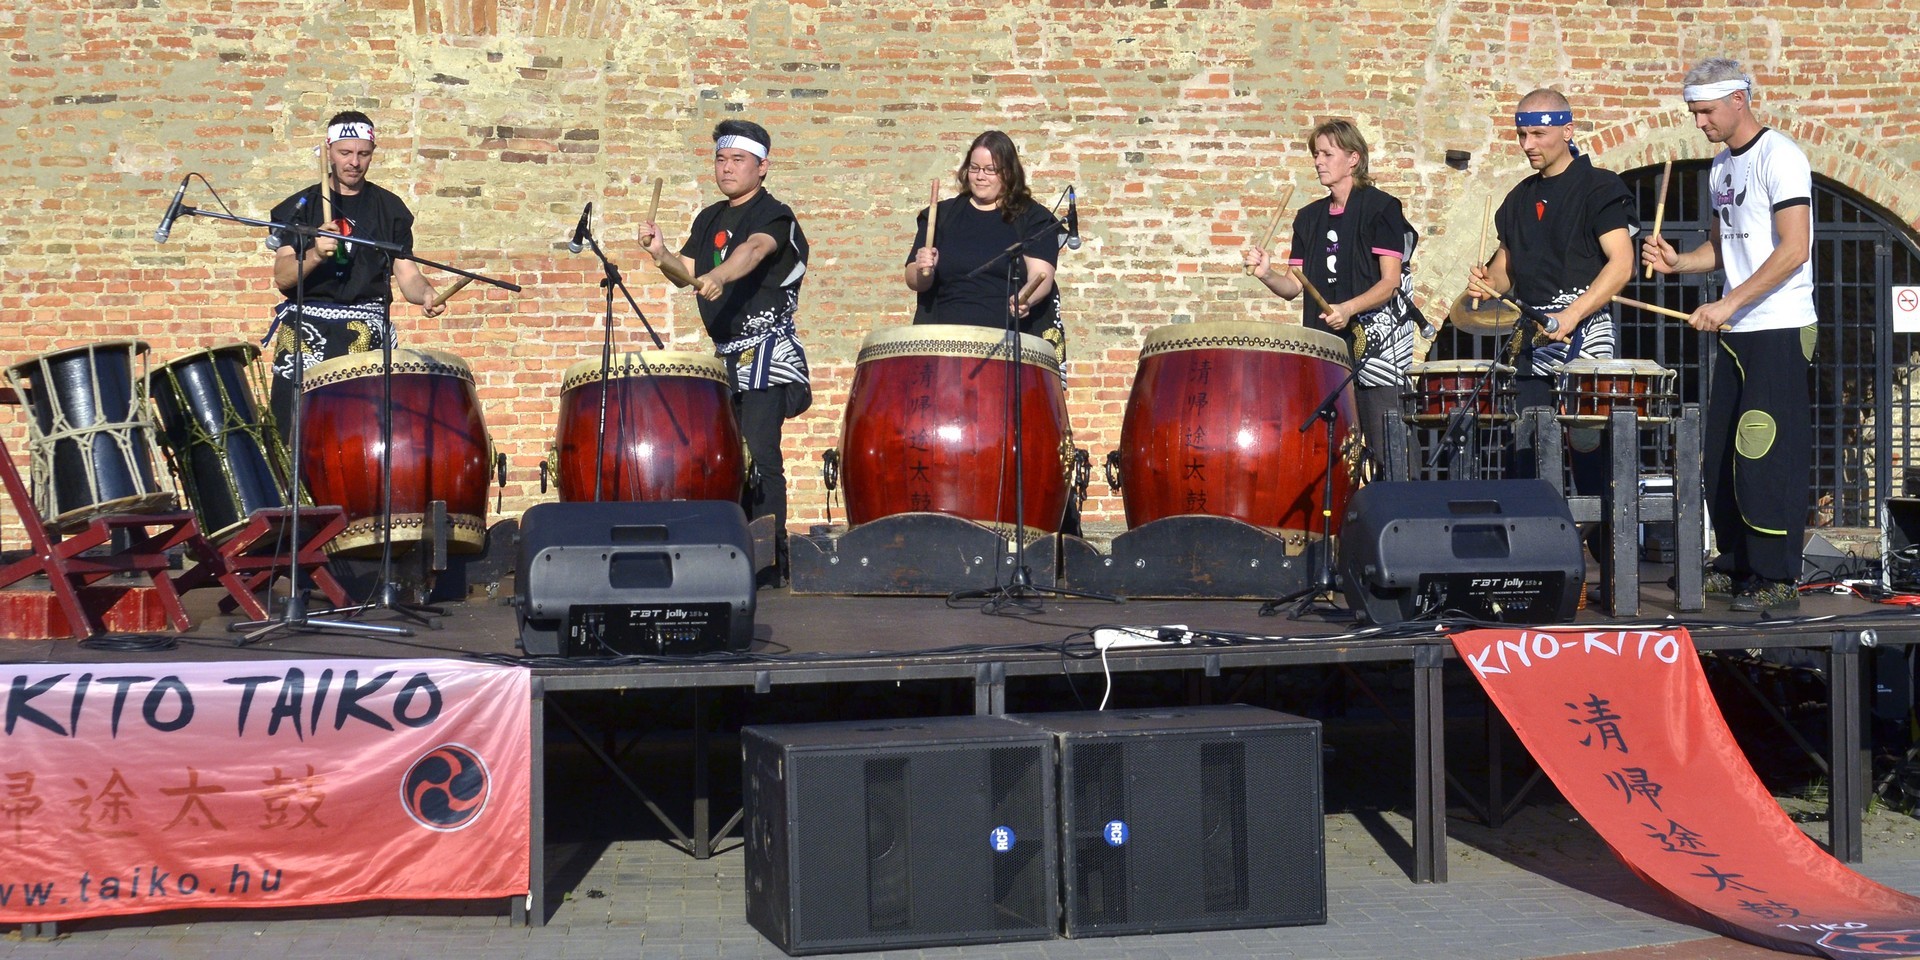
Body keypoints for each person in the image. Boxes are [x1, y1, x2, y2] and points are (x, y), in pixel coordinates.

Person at [1643, 58, 1814, 614]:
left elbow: (1794, 249)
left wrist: (1729, 303)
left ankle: (1777, 574)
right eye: (1694, 113)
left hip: (1780, 326)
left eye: (1707, 111)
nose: (1700, 122)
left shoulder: (1780, 156)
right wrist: (1678, 263)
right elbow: (1720, 250)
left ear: (1739, 99)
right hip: (1739, 329)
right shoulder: (1721, 167)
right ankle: (1737, 561)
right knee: (1720, 452)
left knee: (1764, 451)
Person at [1464, 89, 1637, 606]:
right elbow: (1505, 271)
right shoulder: (1518, 199)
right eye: (1522, 133)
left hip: (1585, 332)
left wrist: (1574, 314)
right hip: (1535, 338)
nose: (1527, 144)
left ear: (1567, 129)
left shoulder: (1600, 187)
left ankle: (1610, 565)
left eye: (1538, 133)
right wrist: (1486, 283)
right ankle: (1542, 569)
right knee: (1529, 450)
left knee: (1591, 452)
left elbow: (1621, 263)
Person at [641, 120, 812, 585]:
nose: (727, 168)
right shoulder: (709, 218)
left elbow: (753, 251)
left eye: (738, 159)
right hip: (726, 358)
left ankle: (771, 562)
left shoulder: (775, 214)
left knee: (760, 453)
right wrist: (661, 255)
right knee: (728, 457)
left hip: (768, 351)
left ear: (762, 167)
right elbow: (687, 273)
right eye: (721, 159)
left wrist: (719, 276)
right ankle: (734, 555)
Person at [1241, 118, 1421, 471]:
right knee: (1332, 448)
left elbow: (1390, 283)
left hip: (1377, 346)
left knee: (1389, 445)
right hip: (1326, 345)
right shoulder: (1308, 218)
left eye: (1327, 154)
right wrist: (1266, 274)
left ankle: (1404, 500)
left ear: (1353, 158)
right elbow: (1293, 287)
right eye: (1315, 154)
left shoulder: (1382, 208)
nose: (1318, 162)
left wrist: (1348, 308)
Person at [264, 111, 444, 443]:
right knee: (293, 435)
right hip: (307, 328)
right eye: (345, 153)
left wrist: (427, 293)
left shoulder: (389, 208)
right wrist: (315, 254)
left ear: (372, 153)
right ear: (329, 152)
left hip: (366, 329)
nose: (354, 162)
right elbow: (283, 277)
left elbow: (407, 274)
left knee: (360, 436)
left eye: (363, 153)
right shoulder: (300, 207)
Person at [904, 130, 1065, 365]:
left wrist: (1025, 299)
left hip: (1008, 348)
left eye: (990, 170)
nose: (980, 176)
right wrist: (922, 269)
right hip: (945, 348)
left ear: (1009, 172)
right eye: (974, 168)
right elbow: (913, 280)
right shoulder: (942, 215)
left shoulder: (1033, 218)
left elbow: (1042, 277)